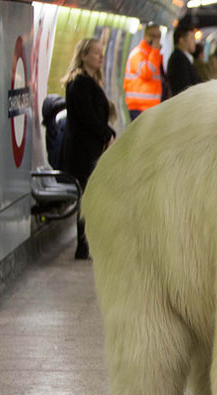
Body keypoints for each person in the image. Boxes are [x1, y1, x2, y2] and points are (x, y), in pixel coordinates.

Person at [59, 38, 116, 260]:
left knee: (91, 197)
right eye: (95, 53)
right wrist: (107, 133)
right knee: (86, 198)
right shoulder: (79, 82)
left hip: (91, 148)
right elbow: (87, 117)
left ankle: (88, 245)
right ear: (83, 56)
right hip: (82, 151)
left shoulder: (92, 81)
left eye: (101, 53)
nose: (100, 57)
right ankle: (83, 247)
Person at [124, 23, 163, 120]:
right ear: (145, 36)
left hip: (150, 106)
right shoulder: (138, 53)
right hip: (139, 107)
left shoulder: (152, 53)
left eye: (158, 36)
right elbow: (147, 73)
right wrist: (155, 51)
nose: (156, 39)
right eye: (153, 36)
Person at [167, 26, 201, 97]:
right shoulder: (178, 60)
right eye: (191, 38)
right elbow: (184, 88)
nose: (195, 41)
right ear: (181, 40)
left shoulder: (183, 58)